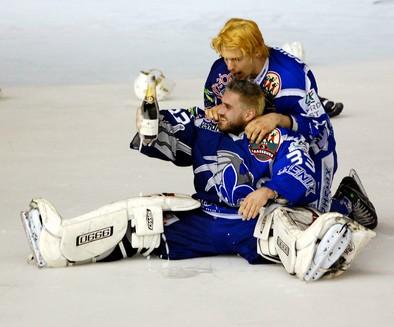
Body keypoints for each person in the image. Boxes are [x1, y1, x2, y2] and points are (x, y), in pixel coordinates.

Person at [20, 80, 375, 281]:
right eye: (219, 103)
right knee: (144, 216)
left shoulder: (276, 136)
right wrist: (151, 122)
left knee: (282, 226)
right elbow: (166, 128)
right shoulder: (205, 122)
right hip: (205, 219)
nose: (217, 110)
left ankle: (318, 251)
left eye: (227, 107)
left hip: (253, 224)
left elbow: (301, 174)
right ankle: (58, 245)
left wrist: (267, 191)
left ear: (250, 114)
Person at [204, 18, 341, 214]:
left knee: (313, 218)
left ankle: (347, 202)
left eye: (236, 59)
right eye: (226, 58)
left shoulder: (293, 76)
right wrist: (214, 113)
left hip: (308, 151)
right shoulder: (220, 72)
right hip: (253, 148)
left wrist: (278, 119)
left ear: (257, 51)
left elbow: (319, 129)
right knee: (257, 214)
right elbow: (216, 117)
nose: (229, 67)